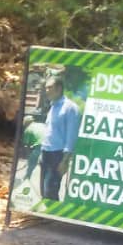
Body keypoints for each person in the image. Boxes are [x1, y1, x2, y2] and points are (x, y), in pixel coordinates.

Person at [40, 73, 81, 201]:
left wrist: (65, 161)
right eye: (46, 88)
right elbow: (49, 131)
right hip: (46, 153)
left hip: (57, 155)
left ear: (59, 88)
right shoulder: (52, 106)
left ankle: (53, 214)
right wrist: (42, 153)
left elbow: (72, 135)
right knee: (43, 191)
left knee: (50, 191)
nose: (46, 91)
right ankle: (47, 213)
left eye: (49, 87)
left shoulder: (70, 108)